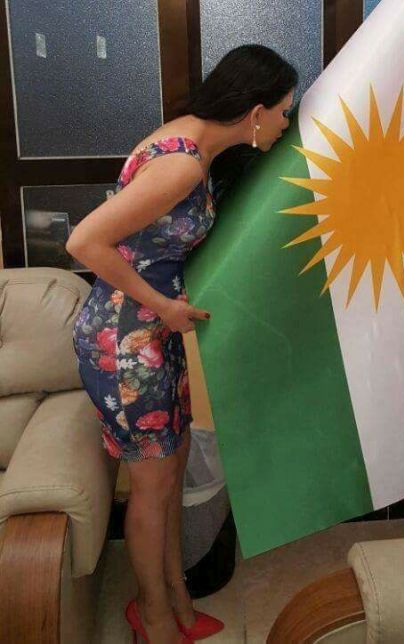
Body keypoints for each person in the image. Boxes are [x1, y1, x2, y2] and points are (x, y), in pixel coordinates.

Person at [67, 44, 297, 644]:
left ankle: (177, 600)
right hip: (125, 343)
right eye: (283, 112)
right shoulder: (183, 165)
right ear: (255, 113)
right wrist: (165, 305)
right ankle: (154, 616)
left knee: (168, 478)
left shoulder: (192, 143)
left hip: (150, 338)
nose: (285, 123)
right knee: (152, 488)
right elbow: (84, 243)